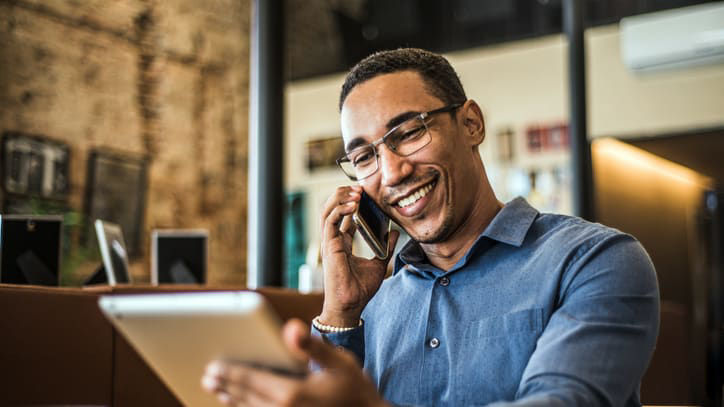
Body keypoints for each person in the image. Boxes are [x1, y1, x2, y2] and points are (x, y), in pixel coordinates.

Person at [202, 48, 659, 406]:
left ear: (471, 124)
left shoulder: (595, 261)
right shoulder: (372, 305)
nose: (393, 172)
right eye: (365, 157)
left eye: (408, 133)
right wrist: (340, 312)